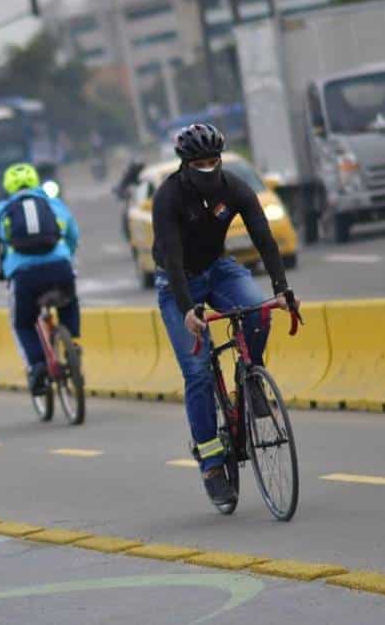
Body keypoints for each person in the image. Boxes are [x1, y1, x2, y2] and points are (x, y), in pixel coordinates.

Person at [151, 123, 297, 508]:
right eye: (199, 162)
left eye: (213, 161)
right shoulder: (167, 197)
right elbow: (171, 258)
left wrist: (282, 289)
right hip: (177, 281)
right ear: (185, 165)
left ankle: (250, 380)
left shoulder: (234, 188)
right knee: (197, 371)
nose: (208, 167)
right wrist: (187, 311)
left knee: (256, 309)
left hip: (219, 269)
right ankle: (212, 465)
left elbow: (263, 236)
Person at [0, 163, 80, 400]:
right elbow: (73, 235)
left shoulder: (2, 209)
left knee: (22, 322)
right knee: (69, 301)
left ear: (7, 186)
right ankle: (73, 341)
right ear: (35, 182)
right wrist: (66, 256)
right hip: (59, 268)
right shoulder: (54, 204)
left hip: (24, 276)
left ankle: (37, 364)